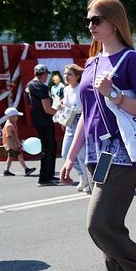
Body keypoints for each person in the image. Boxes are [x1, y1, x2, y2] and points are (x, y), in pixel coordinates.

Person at [60, 0, 136, 271]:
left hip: (121, 151)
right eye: (88, 20)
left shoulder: (131, 60)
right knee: (110, 226)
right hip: (94, 152)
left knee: (99, 223)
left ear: (113, 22)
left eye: (96, 20)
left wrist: (114, 95)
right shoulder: (91, 62)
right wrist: (69, 157)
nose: (90, 26)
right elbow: (84, 117)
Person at [57, 64, 89, 192]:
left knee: (81, 154)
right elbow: (66, 103)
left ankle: (87, 179)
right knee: (65, 153)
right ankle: (83, 176)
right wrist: (61, 105)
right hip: (70, 122)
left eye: (69, 74)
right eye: (65, 74)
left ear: (77, 76)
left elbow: (85, 106)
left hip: (81, 120)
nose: (66, 76)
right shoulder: (66, 89)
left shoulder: (81, 88)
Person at [27, 64, 59, 185]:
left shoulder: (30, 85)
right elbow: (47, 109)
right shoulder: (41, 87)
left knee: (50, 146)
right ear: (44, 74)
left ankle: (49, 175)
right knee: (48, 148)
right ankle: (44, 178)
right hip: (45, 121)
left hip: (37, 120)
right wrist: (59, 111)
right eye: (46, 74)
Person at [1, 106, 36, 177]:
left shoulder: (11, 123)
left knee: (10, 157)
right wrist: (16, 144)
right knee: (20, 155)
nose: (17, 117)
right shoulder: (9, 125)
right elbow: (9, 136)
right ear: (11, 116)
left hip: (10, 145)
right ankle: (26, 169)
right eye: (16, 116)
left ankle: (6, 170)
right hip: (11, 145)